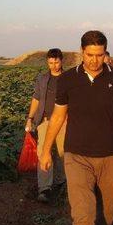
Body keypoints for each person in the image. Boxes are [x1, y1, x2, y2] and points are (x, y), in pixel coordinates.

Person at [39, 30, 113, 225]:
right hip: (77, 155)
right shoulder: (67, 80)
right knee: (83, 212)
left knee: (109, 207)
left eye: (99, 55)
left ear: (105, 53)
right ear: (82, 52)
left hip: (110, 155)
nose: (94, 61)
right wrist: (46, 151)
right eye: (90, 55)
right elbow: (57, 117)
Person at [24, 48, 66, 203]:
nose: (53, 66)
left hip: (63, 121)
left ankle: (60, 181)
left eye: (56, 62)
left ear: (62, 61)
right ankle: (44, 188)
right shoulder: (42, 79)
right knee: (43, 152)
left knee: (62, 152)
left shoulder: (68, 78)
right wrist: (30, 118)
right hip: (44, 120)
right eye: (50, 63)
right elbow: (36, 99)